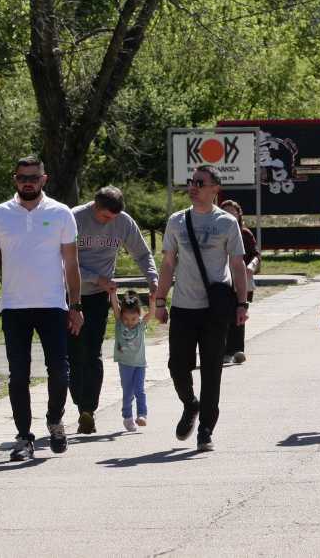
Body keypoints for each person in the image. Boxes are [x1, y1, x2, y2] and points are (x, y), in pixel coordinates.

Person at [0, 156, 82, 462]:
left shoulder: (61, 213)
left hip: (53, 305)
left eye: (34, 177)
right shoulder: (0, 214)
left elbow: (71, 263)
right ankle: (23, 437)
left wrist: (75, 304)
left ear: (44, 179)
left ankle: (55, 420)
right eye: (23, 178)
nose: (28, 183)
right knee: (18, 375)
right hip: (14, 307)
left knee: (59, 371)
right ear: (15, 179)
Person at [152, 165, 248, 452]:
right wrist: (160, 300)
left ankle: (206, 429)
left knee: (211, 369)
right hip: (183, 306)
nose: (193, 187)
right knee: (177, 365)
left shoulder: (226, 222)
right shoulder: (177, 221)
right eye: (191, 182)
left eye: (200, 183)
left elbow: (237, 265)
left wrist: (241, 303)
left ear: (215, 188)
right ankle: (190, 404)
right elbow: (168, 263)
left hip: (215, 308)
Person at [68, 186, 158, 435]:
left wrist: (152, 278)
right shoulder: (74, 218)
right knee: (74, 353)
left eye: (114, 217)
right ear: (95, 206)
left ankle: (88, 410)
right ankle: (79, 402)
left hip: (99, 296)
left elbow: (142, 254)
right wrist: (95, 277)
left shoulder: (123, 222)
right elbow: (63, 261)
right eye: (106, 216)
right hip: (71, 294)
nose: (110, 222)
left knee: (93, 351)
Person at [220, 199, 260, 365]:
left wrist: (251, 266)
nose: (229, 215)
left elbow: (256, 255)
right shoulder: (215, 233)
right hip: (221, 279)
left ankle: (237, 350)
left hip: (240, 279)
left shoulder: (245, 234)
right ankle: (224, 350)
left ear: (239, 215)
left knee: (239, 311)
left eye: (233, 212)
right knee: (224, 313)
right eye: (225, 212)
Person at [109, 287, 152, 432]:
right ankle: (127, 416)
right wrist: (113, 293)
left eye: (133, 319)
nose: (129, 322)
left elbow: (151, 314)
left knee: (140, 390)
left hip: (140, 364)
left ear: (139, 316)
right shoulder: (120, 324)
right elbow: (116, 307)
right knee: (128, 392)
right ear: (122, 317)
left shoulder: (141, 326)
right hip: (125, 364)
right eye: (126, 319)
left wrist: (152, 301)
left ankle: (142, 415)